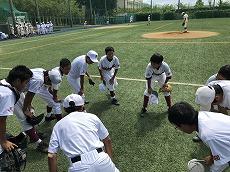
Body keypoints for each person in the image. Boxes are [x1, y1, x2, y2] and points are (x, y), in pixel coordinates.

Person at [48, 94, 120, 172]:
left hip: (78, 166)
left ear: (65, 109)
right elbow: (107, 140)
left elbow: (51, 156)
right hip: (101, 159)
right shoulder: (92, 117)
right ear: (82, 106)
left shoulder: (58, 126)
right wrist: (109, 162)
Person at [168, 102, 230, 172]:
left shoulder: (208, 135)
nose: (179, 129)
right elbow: (216, 145)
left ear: (183, 124)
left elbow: (223, 153)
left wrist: (212, 159)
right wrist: (211, 157)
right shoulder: (201, 115)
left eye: (177, 127)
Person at [14, 68, 62, 153]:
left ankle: (34, 133)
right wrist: (25, 109)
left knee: (31, 113)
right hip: (12, 93)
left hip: (18, 90)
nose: (50, 84)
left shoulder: (43, 71)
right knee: (24, 118)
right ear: (47, 78)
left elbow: (28, 93)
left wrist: (29, 105)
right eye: (50, 82)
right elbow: (29, 95)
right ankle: (39, 144)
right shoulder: (39, 80)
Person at [0, 65, 33, 154]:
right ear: (18, 81)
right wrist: (3, 141)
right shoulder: (8, 95)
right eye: (26, 82)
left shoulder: (3, 83)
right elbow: (2, 119)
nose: (27, 86)